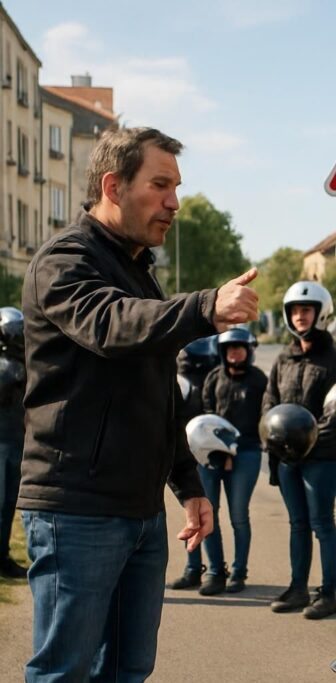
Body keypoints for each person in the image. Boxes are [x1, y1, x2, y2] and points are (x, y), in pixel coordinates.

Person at [17, 126, 260, 682]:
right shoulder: (64, 261)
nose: (174, 202)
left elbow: (155, 393)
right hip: (75, 508)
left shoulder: (140, 270)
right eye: (161, 185)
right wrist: (204, 306)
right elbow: (111, 324)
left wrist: (188, 485)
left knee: (128, 670)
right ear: (113, 185)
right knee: (64, 672)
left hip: (141, 512)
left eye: (177, 187)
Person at [262, 281, 336, 620]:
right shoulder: (283, 358)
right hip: (286, 456)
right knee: (297, 523)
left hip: (324, 457)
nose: (300, 316)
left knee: (322, 523)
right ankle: (298, 588)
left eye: (306, 310)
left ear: (320, 313)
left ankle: (328, 594)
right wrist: (272, 435)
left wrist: (306, 442)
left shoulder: (334, 361)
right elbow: (270, 400)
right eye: (295, 311)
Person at [186, 327, 268, 595]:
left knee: (239, 515)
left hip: (246, 453)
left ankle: (239, 572)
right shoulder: (213, 378)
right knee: (209, 514)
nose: (234, 351)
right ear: (221, 352)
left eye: (239, 347)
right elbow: (206, 413)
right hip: (212, 455)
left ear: (248, 350)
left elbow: (265, 417)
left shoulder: (258, 380)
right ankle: (214, 571)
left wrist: (237, 450)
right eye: (229, 347)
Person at [168, 334, 220, 590]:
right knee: (193, 516)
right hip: (186, 458)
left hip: (208, 456)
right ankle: (193, 568)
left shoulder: (213, 378)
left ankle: (216, 570)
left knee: (205, 515)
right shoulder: (177, 379)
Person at [0, 306, 27, 578]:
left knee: (8, 503)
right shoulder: (8, 368)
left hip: (14, 441)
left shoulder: (20, 366)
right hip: (4, 443)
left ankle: (3, 555)